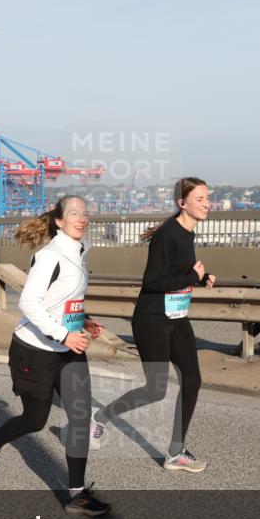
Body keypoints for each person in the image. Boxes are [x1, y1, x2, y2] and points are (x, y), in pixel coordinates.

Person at [0, 195, 110, 516]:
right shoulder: (50, 257)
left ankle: (76, 494)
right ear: (59, 221)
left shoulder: (80, 251)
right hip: (35, 351)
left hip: (69, 348)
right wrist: (64, 333)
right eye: (74, 213)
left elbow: (62, 299)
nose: (82, 218)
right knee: (35, 420)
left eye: (85, 212)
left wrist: (83, 319)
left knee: (79, 417)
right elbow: (30, 304)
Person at [89, 177, 216, 471]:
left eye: (208, 197)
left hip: (176, 318)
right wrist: (191, 278)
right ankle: (100, 417)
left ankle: (175, 452)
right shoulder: (168, 235)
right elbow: (153, 282)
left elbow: (180, 272)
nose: (207, 203)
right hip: (151, 320)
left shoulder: (187, 233)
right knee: (155, 389)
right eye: (200, 199)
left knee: (193, 381)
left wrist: (202, 277)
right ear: (182, 203)